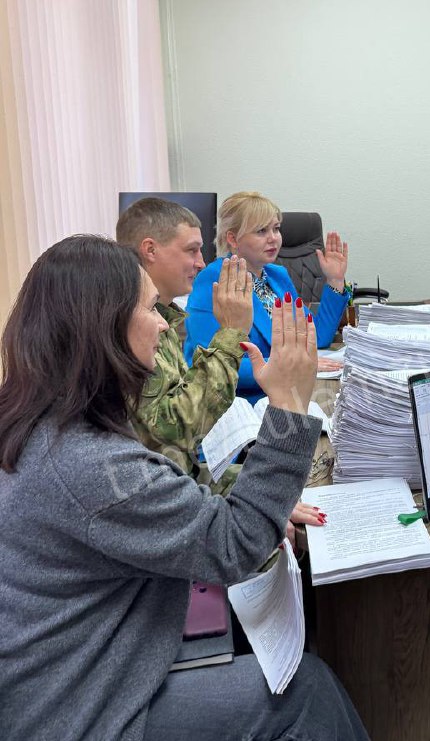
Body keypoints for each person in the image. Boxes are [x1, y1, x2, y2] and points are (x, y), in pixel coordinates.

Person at [0, 235, 367, 741]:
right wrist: (287, 405)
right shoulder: (89, 464)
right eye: (150, 309)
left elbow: (156, 494)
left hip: (70, 667)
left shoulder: (40, 419)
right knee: (306, 690)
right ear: (104, 327)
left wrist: (249, 499)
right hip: (80, 706)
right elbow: (233, 543)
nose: (162, 325)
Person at [116, 198, 325, 540]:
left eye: (276, 229)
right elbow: (173, 431)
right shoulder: (133, 329)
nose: (201, 262)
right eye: (192, 250)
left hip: (184, 487)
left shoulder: (163, 319)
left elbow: (181, 462)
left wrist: (254, 493)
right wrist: (232, 334)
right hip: (161, 518)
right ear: (150, 250)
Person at [184, 192, 351, 403]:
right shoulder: (213, 281)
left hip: (287, 393)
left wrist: (335, 281)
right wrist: (291, 365)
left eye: (276, 228)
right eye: (261, 231)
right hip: (242, 405)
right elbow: (205, 364)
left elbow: (316, 337)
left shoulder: (276, 275)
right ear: (233, 238)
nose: (273, 238)